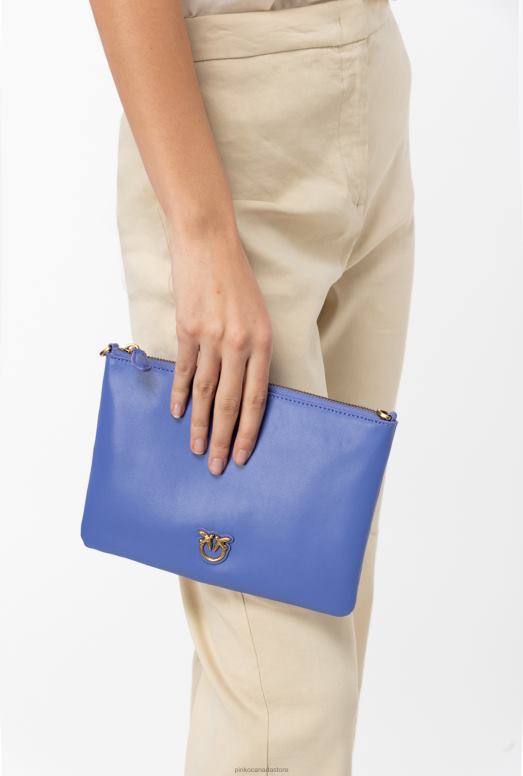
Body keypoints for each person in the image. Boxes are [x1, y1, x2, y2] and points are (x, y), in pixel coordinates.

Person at [89, 0, 415, 772]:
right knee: (290, 705)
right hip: (230, 122)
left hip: (367, 80)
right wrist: (201, 232)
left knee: (317, 653)